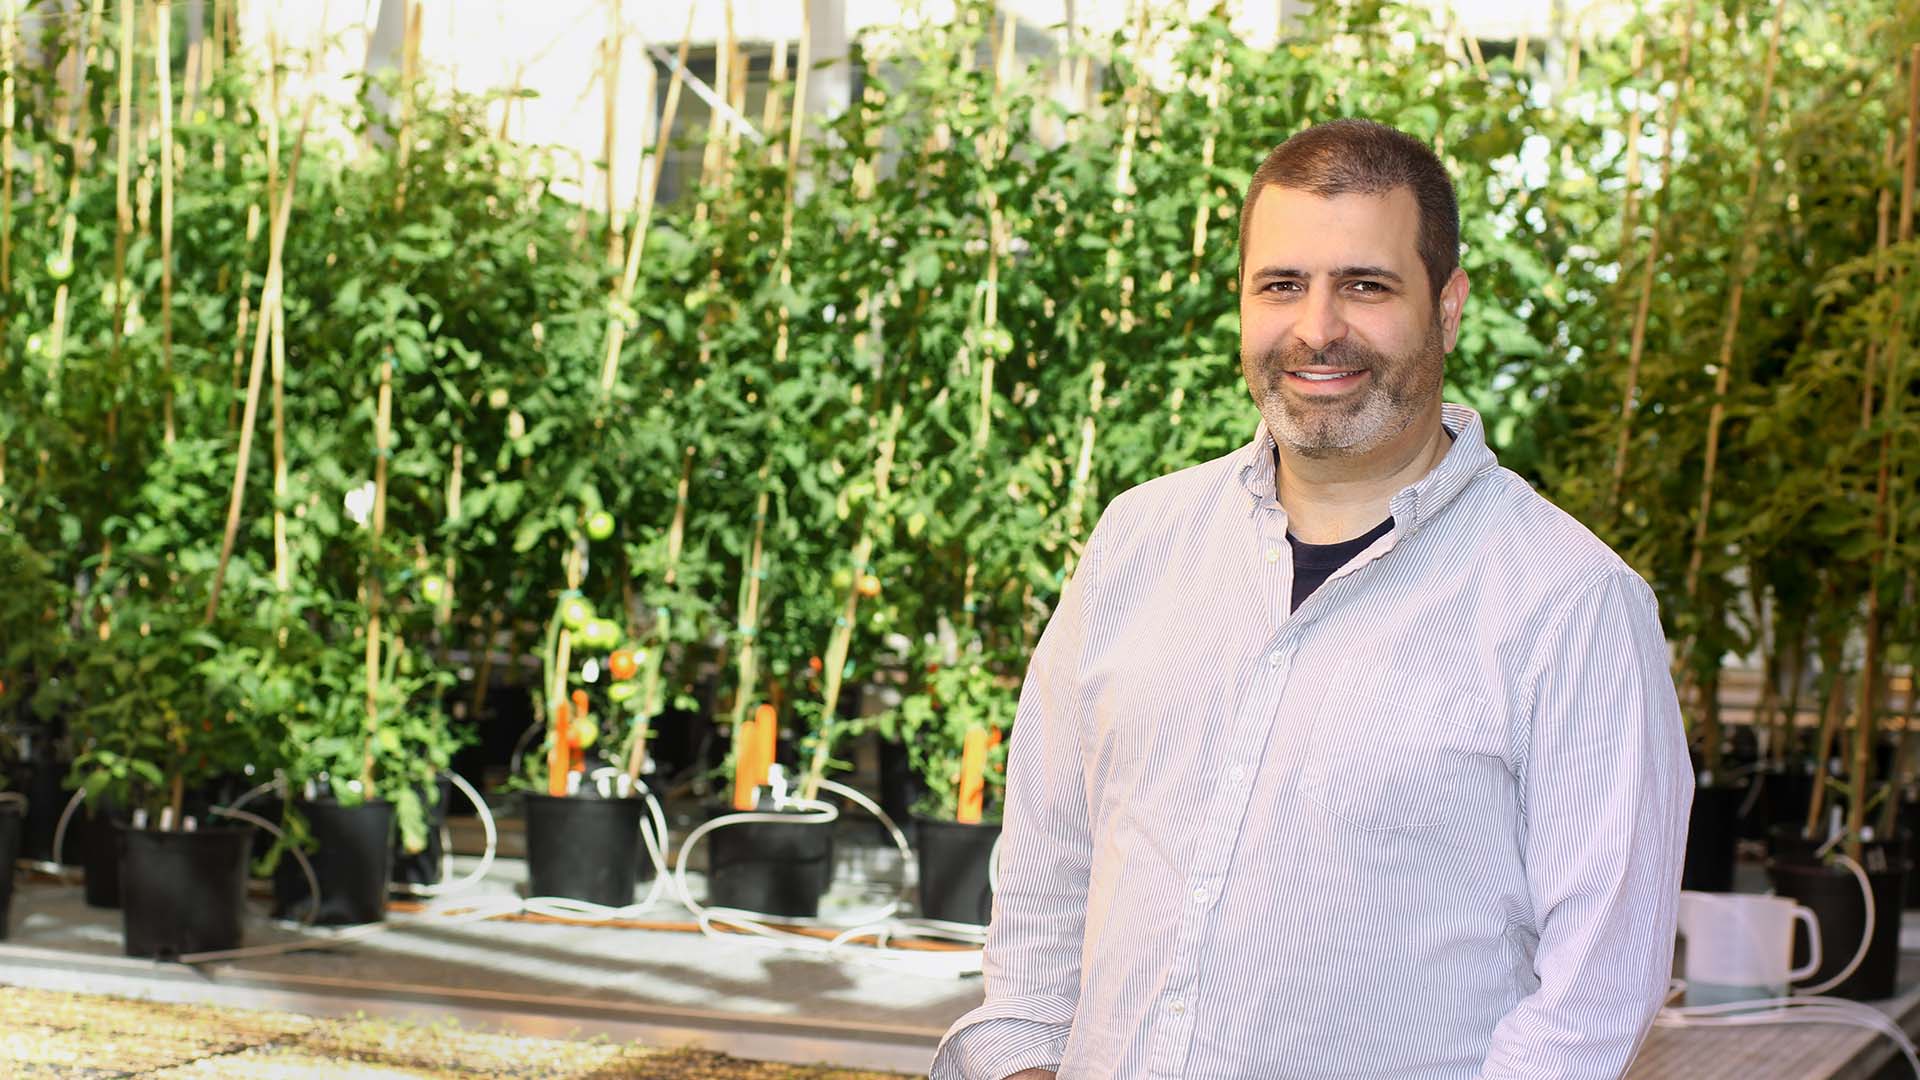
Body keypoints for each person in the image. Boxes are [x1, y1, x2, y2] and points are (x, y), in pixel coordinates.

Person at [929, 119, 1692, 1080]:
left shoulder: (1570, 605)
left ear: (1446, 309)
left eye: (1365, 287)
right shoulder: (1138, 542)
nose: (1317, 328)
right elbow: (1048, 878)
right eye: (1281, 285)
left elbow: (1592, 1000)